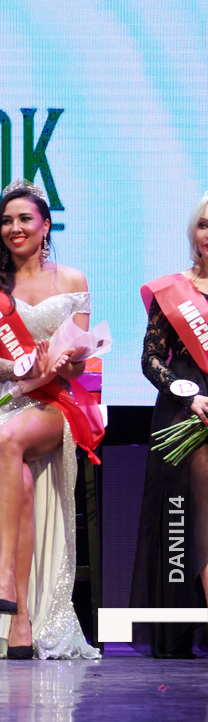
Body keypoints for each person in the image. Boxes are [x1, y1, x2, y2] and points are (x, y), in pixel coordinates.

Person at [0, 179, 102, 660]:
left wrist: (64, 364)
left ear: (45, 225)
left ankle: (5, 578)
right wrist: (23, 368)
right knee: (9, 455)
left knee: (10, 441)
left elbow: (81, 363)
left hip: (55, 401)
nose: (14, 227)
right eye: (6, 220)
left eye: (24, 218)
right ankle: (18, 619)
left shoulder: (73, 280)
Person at [130, 193, 208, 656]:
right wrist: (189, 395)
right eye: (204, 224)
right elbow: (151, 358)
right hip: (187, 411)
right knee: (199, 511)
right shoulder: (173, 292)